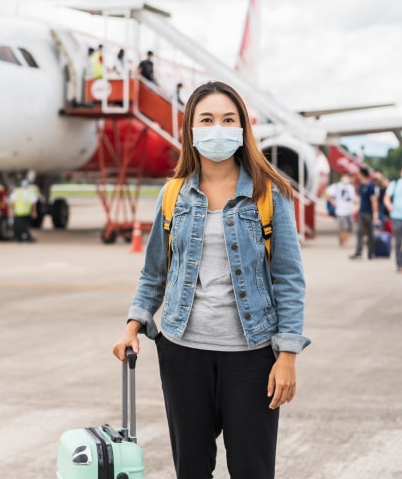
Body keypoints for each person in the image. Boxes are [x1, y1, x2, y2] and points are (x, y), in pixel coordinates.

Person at [112, 81, 310, 478]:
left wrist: (287, 354)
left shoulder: (270, 193)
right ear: (191, 129)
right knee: (191, 471)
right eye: (206, 119)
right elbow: (155, 271)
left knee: (252, 470)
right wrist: (133, 325)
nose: (217, 127)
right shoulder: (173, 195)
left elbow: (289, 278)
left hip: (253, 358)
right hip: (183, 353)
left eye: (227, 119)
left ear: (241, 129)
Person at [350, 167, 379, 259]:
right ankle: (358, 253)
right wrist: (354, 184)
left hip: (369, 213)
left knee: (370, 234)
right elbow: (358, 194)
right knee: (359, 233)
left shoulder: (371, 186)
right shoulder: (361, 185)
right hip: (361, 212)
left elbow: (374, 201)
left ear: (363, 174)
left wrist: (375, 214)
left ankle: (371, 253)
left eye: (359, 174)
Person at [326, 172, 356, 247]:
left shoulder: (351, 187)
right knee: (344, 227)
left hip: (349, 210)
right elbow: (328, 194)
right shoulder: (336, 186)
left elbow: (354, 198)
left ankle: (342, 238)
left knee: (349, 228)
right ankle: (345, 241)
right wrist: (333, 203)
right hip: (340, 211)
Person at [8, 178, 38, 242]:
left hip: (20, 213)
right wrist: (34, 212)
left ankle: (18, 238)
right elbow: (33, 204)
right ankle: (24, 237)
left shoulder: (17, 192)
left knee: (20, 227)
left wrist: (10, 211)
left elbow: (11, 203)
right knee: (24, 227)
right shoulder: (29, 193)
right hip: (24, 213)